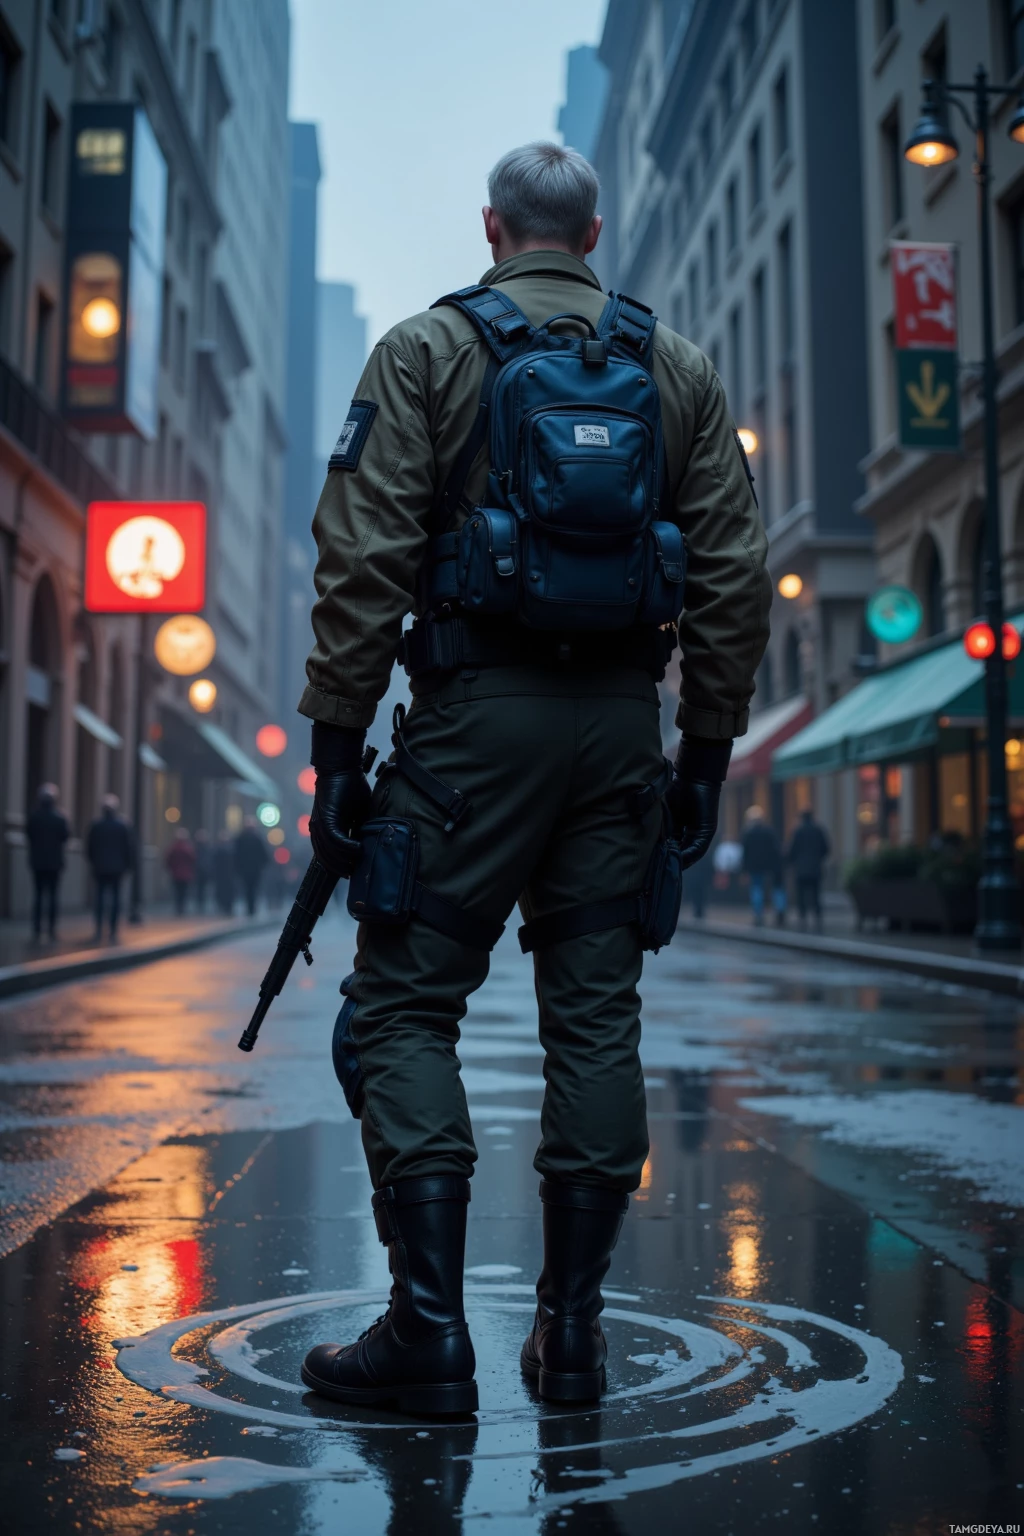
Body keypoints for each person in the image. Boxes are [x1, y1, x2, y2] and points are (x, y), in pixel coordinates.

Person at [292, 142, 770, 1416]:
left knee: (399, 1006)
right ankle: (570, 1342)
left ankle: (428, 1330)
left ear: (493, 227)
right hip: (619, 734)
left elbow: (361, 554)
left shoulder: (427, 349)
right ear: (595, 233)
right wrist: (703, 756)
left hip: (467, 737)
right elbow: (732, 574)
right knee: (595, 1019)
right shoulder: (674, 366)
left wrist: (337, 747)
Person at [86, 794, 134, 943]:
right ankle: (113, 931)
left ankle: (99, 930)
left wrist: (94, 862)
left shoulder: (96, 825)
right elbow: (128, 848)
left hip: (100, 868)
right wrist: (127, 865)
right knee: (115, 900)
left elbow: (89, 848)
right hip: (116, 869)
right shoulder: (122, 826)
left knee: (99, 899)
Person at [26, 784, 69, 942]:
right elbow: (65, 837)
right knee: (52, 896)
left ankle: (37, 929)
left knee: (38, 896)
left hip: (38, 862)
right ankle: (51, 929)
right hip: (54, 863)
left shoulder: (35, 816)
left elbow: (29, 834)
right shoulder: (59, 818)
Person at [786, 807, 830, 931]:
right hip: (815, 867)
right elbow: (826, 848)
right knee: (816, 893)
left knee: (801, 894)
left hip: (801, 868)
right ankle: (817, 916)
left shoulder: (798, 831)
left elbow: (792, 850)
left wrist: (792, 862)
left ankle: (803, 916)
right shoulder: (818, 830)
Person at [741, 804, 786, 926]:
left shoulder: (748, 834)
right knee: (776, 888)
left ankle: (758, 914)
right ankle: (780, 910)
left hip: (755, 867)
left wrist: (744, 870)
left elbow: (745, 854)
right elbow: (776, 849)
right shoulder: (769, 831)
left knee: (756, 888)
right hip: (771, 866)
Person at [233, 816, 268, 915]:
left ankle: (250, 908)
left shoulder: (241, 838)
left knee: (248, 889)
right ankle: (251, 908)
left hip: (246, 869)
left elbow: (236, 854)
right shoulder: (256, 839)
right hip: (254, 870)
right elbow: (264, 855)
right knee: (252, 889)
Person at [164, 827, 196, 915]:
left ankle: (179, 908)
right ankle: (181, 908)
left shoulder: (173, 847)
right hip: (185, 874)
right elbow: (193, 859)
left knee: (178, 892)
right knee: (183, 892)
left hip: (176, 873)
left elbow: (168, 860)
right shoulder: (187, 847)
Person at [213, 831, 236, 915]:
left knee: (228, 891)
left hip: (228, 874)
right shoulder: (219, 849)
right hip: (222, 874)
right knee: (222, 891)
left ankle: (227, 907)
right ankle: (224, 906)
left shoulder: (230, 849)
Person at [193, 829, 213, 911]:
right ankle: (199, 903)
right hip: (198, 871)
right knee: (199, 889)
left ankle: (202, 903)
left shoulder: (207, 848)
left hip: (205, 871)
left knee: (203, 888)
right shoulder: (195, 848)